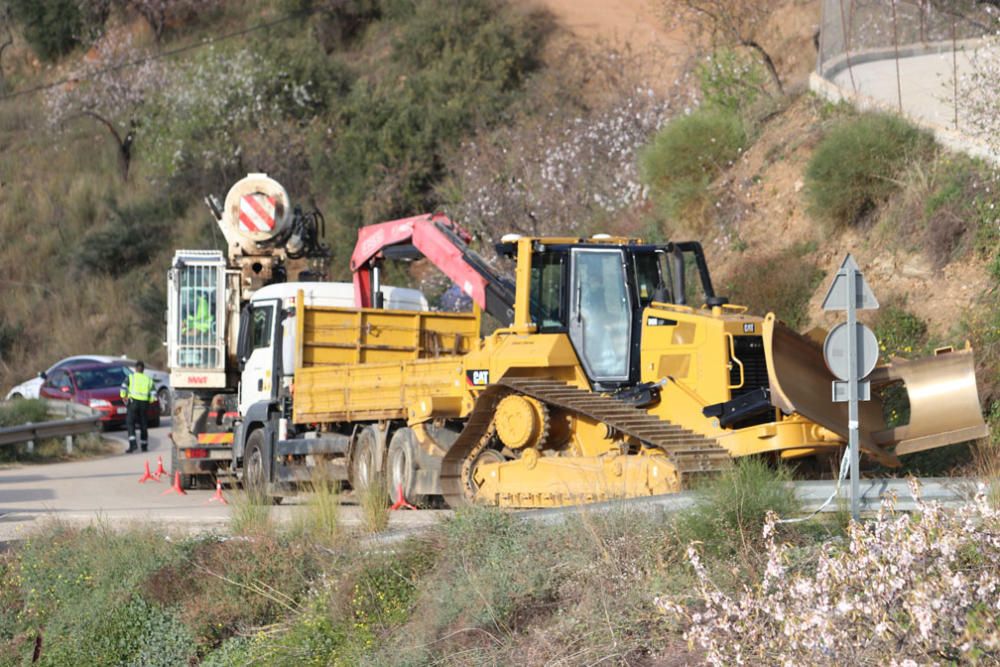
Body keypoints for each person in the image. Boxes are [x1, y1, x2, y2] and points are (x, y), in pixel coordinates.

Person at [120, 360, 155, 453]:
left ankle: (133, 445)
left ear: (135, 369)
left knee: (130, 423)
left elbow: (123, 387)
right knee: (143, 425)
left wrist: (123, 396)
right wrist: (150, 401)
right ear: (143, 369)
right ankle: (144, 446)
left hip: (133, 403)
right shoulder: (149, 379)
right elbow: (153, 393)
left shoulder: (131, 377)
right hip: (144, 404)